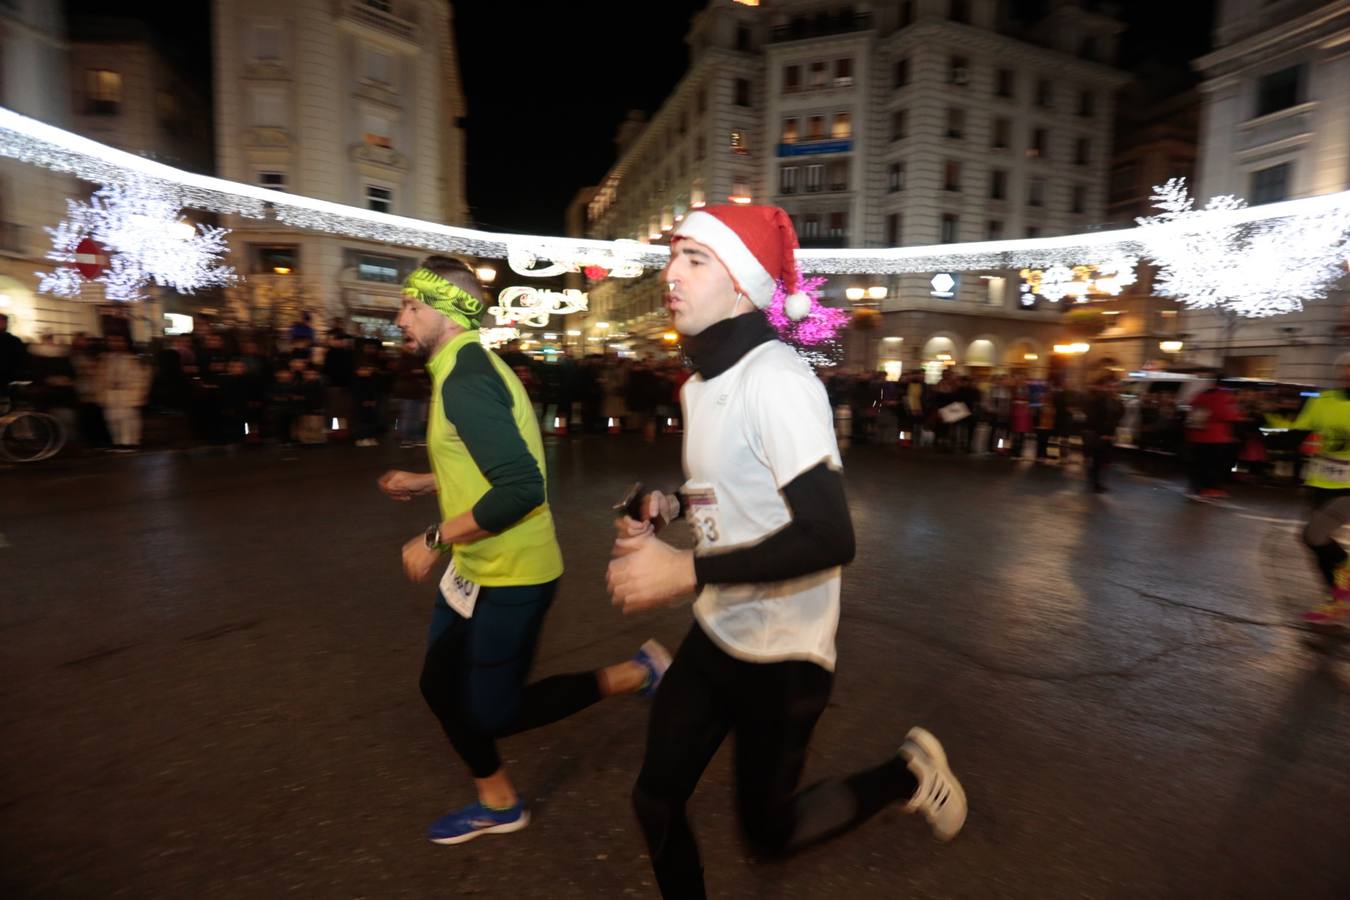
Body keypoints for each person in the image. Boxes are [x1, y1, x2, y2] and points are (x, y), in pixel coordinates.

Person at [606, 205, 966, 899]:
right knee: (654, 798)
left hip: (783, 656)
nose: (670, 273)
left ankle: (906, 774)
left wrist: (684, 569)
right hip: (718, 628)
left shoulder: (777, 380)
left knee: (768, 836)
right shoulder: (700, 384)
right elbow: (725, 484)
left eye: (694, 259)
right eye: (672, 255)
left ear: (742, 284)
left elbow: (830, 536)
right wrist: (670, 506)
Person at [378, 255, 670, 845]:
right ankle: (499, 803)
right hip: (475, 567)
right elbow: (491, 459)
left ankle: (636, 674)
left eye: (411, 306)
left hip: (513, 573)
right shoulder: (462, 366)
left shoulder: (466, 379)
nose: (400, 318)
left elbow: (520, 488)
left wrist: (434, 537)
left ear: (448, 310)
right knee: (439, 687)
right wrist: (430, 481)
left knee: (493, 712)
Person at [1290, 354, 1350, 626]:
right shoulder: (1323, 400)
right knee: (1316, 541)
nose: (1347, 373)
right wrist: (1299, 440)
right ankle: (1336, 598)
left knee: (1313, 534)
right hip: (1321, 481)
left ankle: (1339, 592)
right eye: (1344, 368)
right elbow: (1300, 433)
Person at [1184, 371, 1241, 499]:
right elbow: (1229, 415)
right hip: (1216, 436)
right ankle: (1211, 488)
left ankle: (1196, 487)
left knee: (1199, 463)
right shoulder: (1224, 396)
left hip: (1197, 434)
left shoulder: (1201, 394)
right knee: (1214, 464)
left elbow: (1192, 406)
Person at [1083, 371, 1125, 493]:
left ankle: (1097, 481)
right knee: (1098, 460)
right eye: (1110, 386)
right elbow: (1094, 418)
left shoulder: (1116, 401)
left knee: (1105, 460)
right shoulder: (1099, 399)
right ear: (1106, 387)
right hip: (1099, 435)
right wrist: (1102, 434)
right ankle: (1096, 484)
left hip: (1109, 435)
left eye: (1115, 387)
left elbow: (1119, 415)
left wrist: (1111, 434)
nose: (1113, 389)